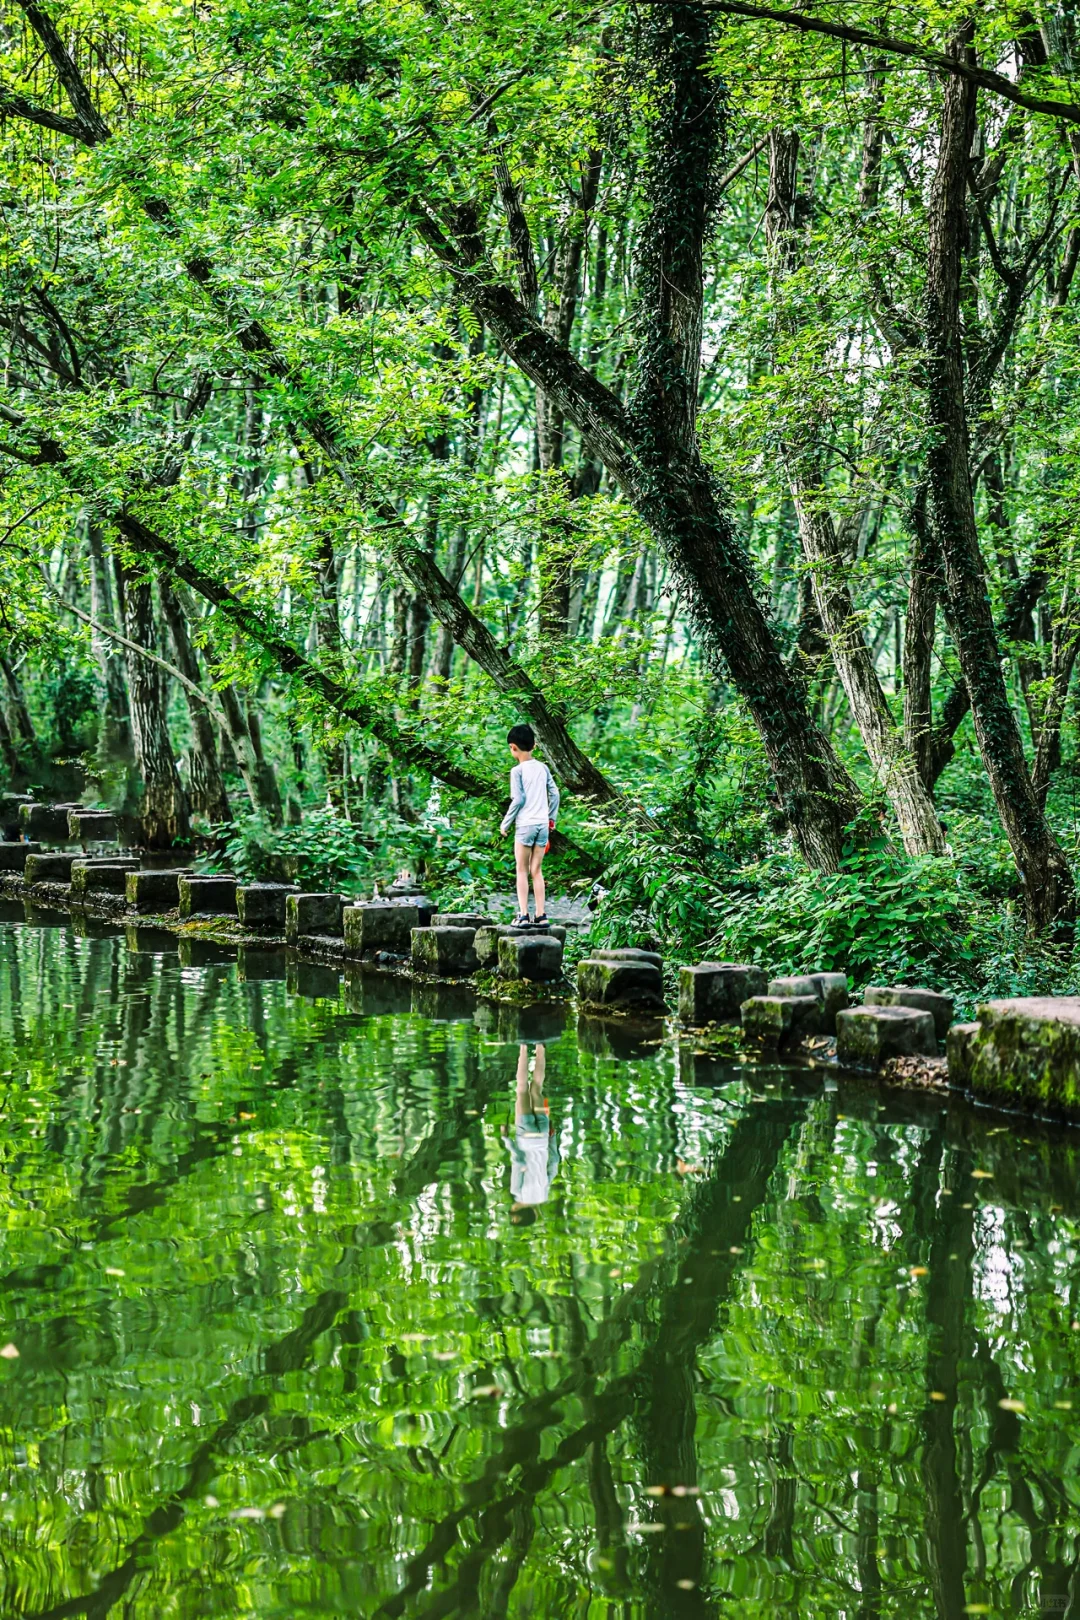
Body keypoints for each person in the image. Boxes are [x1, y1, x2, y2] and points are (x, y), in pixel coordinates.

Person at [499, 723, 560, 927]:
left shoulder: (517, 772)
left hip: (525, 826)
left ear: (513, 747)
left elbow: (518, 800)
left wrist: (505, 823)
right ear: (534, 745)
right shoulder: (542, 768)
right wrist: (551, 818)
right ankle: (541, 916)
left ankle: (524, 914)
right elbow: (555, 794)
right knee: (537, 871)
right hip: (542, 825)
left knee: (522, 870)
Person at [503, 1043, 560, 1222]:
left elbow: (555, 1163)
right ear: (515, 1210)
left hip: (543, 1137)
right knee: (521, 1089)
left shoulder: (544, 1194)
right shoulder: (516, 1192)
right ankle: (523, 1046)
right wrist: (505, 1139)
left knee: (536, 1088)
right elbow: (518, 1160)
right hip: (525, 1136)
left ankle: (540, 1046)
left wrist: (552, 1139)